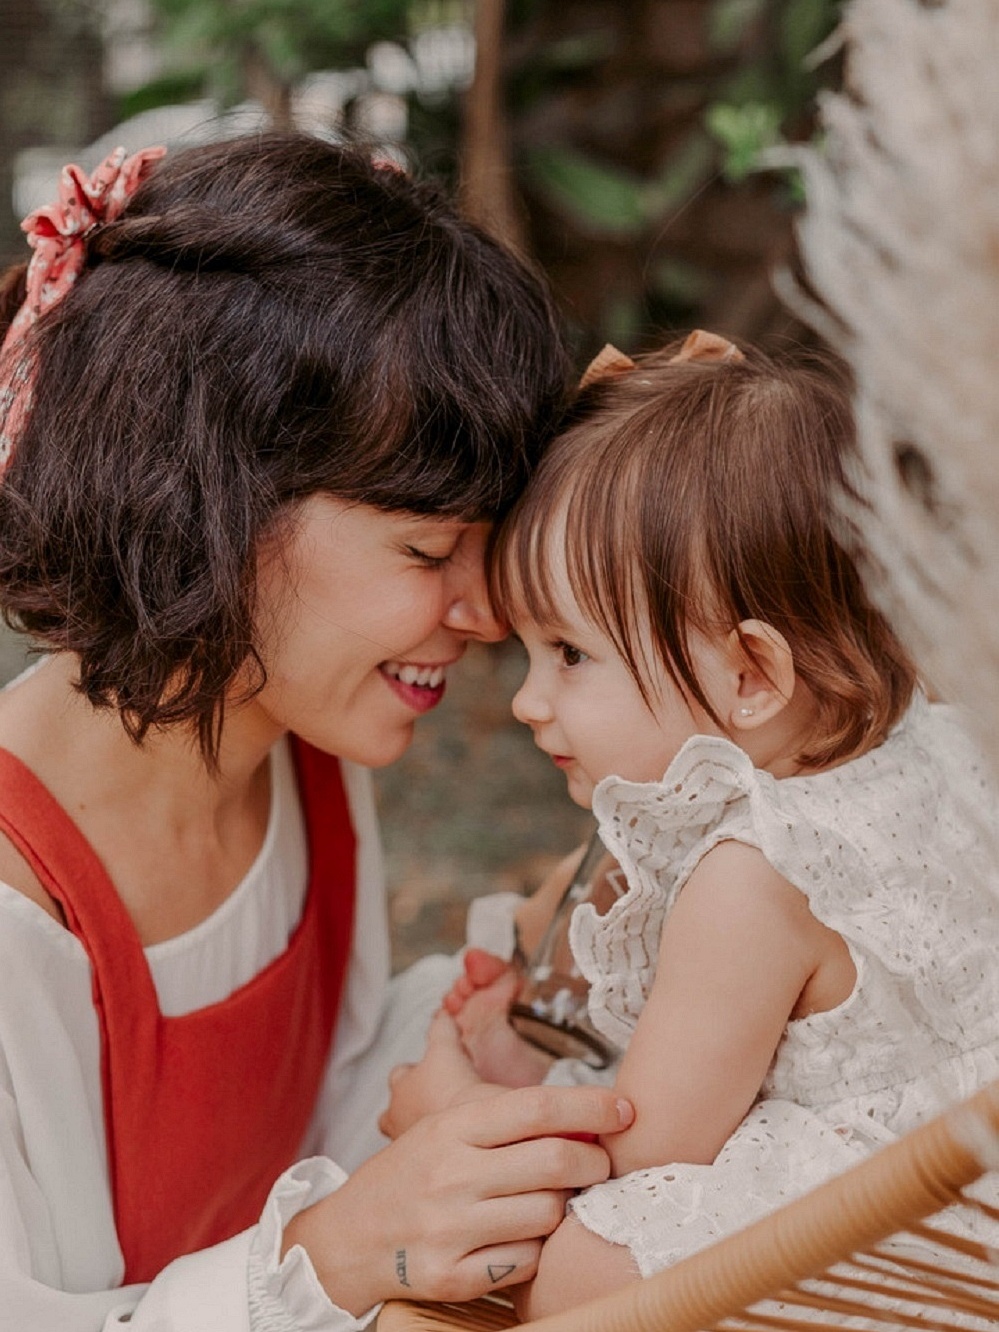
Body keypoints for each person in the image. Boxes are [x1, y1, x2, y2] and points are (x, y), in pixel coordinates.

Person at [0, 133, 637, 1332]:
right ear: (208, 498)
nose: (487, 612)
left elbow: (313, 1108)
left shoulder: (293, 753)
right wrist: (327, 1259)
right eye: (427, 549)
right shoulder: (17, 915)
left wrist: (470, 1025)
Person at [382, 331, 999, 1318]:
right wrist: (539, 1049)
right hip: (968, 1158)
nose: (528, 703)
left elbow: (641, 1149)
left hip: (915, 1232)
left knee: (582, 1267)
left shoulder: (748, 878)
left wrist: (458, 1119)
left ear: (751, 676)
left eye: (569, 655)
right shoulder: (929, 735)